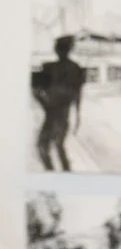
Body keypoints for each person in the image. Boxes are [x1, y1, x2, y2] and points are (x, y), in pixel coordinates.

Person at [33, 36, 85, 173]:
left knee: (44, 146)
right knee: (58, 146)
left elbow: (35, 89)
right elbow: (78, 95)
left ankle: (53, 172)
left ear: (57, 49)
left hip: (53, 113)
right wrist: (77, 116)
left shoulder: (49, 68)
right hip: (63, 114)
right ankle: (64, 173)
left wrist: (44, 103)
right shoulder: (76, 69)